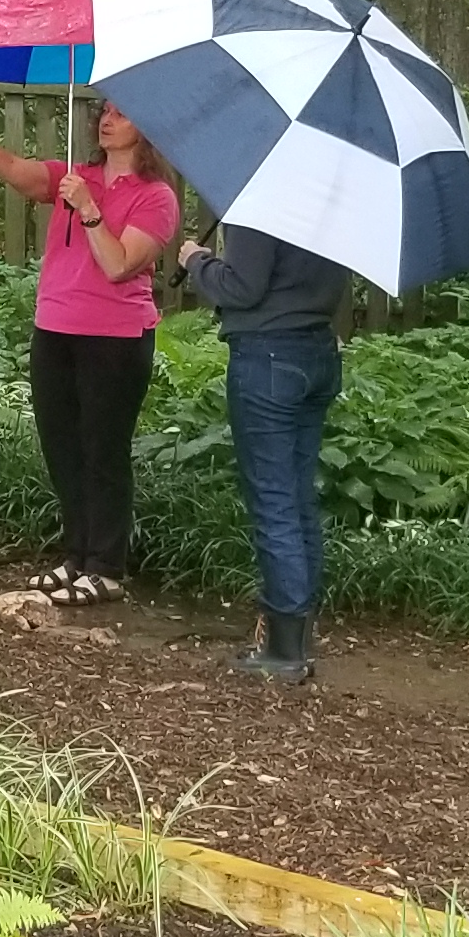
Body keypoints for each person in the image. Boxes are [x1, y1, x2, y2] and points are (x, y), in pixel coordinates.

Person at [0, 104, 178, 604]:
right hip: (55, 328)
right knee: (62, 447)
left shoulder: (155, 198)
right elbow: (16, 168)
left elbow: (118, 265)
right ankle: (75, 556)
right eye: (105, 111)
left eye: (123, 113)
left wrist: (90, 210)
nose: (108, 120)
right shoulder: (76, 176)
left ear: (148, 128)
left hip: (115, 337)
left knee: (103, 450)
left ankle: (106, 567)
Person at [179, 222, 353, 683]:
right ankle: (297, 636)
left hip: (268, 357)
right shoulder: (332, 202)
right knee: (297, 500)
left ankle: (283, 651)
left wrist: (196, 260)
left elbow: (242, 287)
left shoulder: (261, 206)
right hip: (317, 351)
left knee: (274, 502)